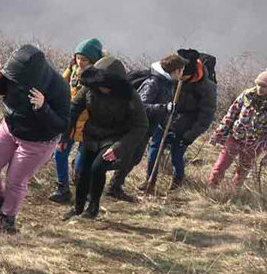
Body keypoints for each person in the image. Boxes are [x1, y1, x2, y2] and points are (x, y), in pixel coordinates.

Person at [0, 44, 72, 233]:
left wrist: (43, 107)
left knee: (15, 180)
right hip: (10, 128)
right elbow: (1, 90)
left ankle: (7, 218)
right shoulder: (15, 72)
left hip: (38, 141)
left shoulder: (59, 87)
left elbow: (61, 125)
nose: (14, 81)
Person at [64, 57, 148, 220]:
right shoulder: (90, 88)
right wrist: (65, 136)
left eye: (106, 85)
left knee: (97, 168)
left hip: (115, 138)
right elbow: (73, 108)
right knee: (82, 171)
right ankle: (78, 208)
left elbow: (141, 125)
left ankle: (93, 208)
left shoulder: (130, 96)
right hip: (92, 135)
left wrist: (119, 148)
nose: (102, 88)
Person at [108, 52, 186, 201]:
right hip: (135, 127)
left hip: (146, 128)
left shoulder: (167, 84)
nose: (182, 74)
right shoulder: (154, 82)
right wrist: (164, 108)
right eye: (181, 70)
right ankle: (99, 179)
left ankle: (114, 187)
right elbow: (141, 106)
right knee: (125, 158)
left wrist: (168, 120)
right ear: (175, 70)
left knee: (133, 159)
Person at [141, 48, 217, 191]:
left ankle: (177, 184)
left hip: (185, 127)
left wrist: (190, 135)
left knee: (177, 156)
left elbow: (206, 115)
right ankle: (149, 181)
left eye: (183, 77)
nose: (179, 79)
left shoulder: (206, 88)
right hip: (164, 120)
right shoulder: (171, 77)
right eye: (178, 75)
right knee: (154, 150)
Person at [49, 38, 104, 205]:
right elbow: (58, 84)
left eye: (84, 59)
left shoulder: (99, 77)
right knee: (59, 154)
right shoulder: (72, 69)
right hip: (70, 120)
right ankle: (63, 189)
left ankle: (84, 193)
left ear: (93, 61)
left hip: (89, 125)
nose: (80, 62)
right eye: (78, 57)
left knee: (82, 164)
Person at [208, 70, 267, 188]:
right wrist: (218, 134)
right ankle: (210, 189)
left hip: (254, 144)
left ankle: (233, 193)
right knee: (220, 165)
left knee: (242, 171)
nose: (260, 88)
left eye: (264, 86)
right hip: (235, 137)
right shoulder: (247, 95)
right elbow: (231, 115)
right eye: (258, 84)